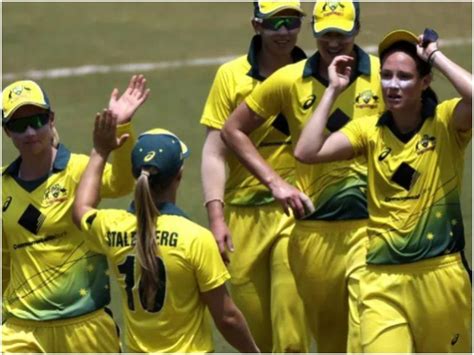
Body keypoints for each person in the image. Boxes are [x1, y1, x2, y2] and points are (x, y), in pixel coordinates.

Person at [221, 0, 385, 352]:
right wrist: (275, 183)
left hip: (371, 228)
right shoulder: (290, 80)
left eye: (342, 33)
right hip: (314, 233)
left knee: (367, 336)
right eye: (326, 34)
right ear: (314, 32)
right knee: (329, 342)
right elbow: (233, 130)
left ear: (357, 30)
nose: (334, 42)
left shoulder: (385, 76)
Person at [295, 29, 472, 352]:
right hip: (381, 280)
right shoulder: (368, 130)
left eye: (404, 77)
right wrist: (333, 91)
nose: (392, 85)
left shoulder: (446, 123)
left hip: (440, 277)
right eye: (386, 75)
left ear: (425, 82)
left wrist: (435, 57)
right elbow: (306, 152)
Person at [72, 116, 260, 353]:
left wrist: (100, 150)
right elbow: (227, 318)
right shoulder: (195, 238)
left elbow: (81, 210)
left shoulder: (112, 227)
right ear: (178, 175)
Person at [1, 75, 149, 353]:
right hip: (21, 330)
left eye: (38, 120)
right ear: (7, 131)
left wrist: (123, 126)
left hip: (86, 326)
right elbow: (4, 259)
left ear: (52, 119)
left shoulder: (80, 169)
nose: (31, 132)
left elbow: (122, 182)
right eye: (19, 125)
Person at [199, 1, 310, 352]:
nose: (284, 32)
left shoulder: (314, 73)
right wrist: (216, 218)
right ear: (256, 26)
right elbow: (214, 152)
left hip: (296, 214)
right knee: (258, 339)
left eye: (291, 22)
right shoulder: (230, 77)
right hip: (243, 219)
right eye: (275, 24)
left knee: (290, 334)